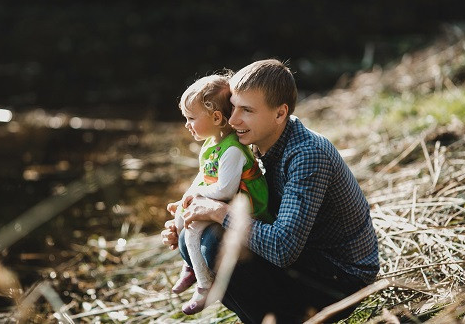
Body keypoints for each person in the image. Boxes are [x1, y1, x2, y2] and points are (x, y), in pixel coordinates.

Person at [162, 59, 380, 323]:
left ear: (280, 113)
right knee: (191, 238)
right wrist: (190, 211)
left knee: (215, 246)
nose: (232, 119)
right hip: (304, 256)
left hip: (341, 277)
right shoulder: (252, 141)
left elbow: (282, 248)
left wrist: (218, 211)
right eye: (232, 107)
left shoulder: (307, 155)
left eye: (247, 110)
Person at [169, 73, 273, 315]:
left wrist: (198, 196)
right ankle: (191, 265)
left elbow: (225, 189)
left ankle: (205, 285)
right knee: (181, 217)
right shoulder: (210, 145)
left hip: (244, 203)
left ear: (216, 117)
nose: (186, 124)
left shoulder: (233, 150)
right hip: (223, 200)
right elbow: (203, 176)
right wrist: (186, 198)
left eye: (191, 118)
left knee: (193, 229)